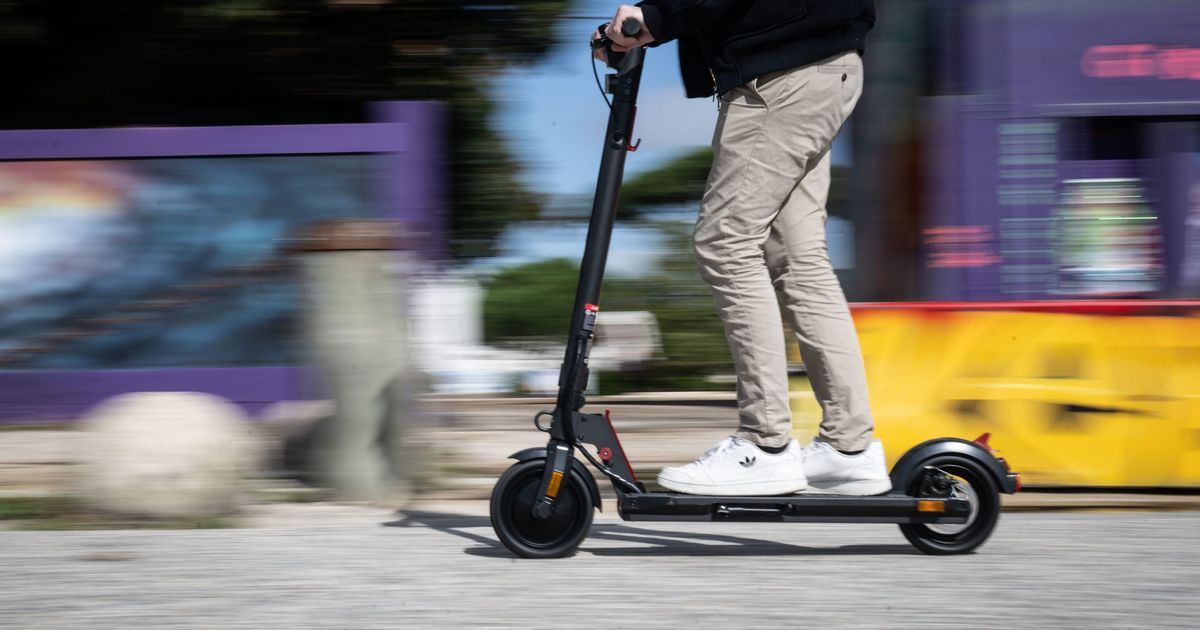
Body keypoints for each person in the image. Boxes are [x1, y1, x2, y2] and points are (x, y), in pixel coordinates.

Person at [595, 1, 890, 496]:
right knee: (798, 257)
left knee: (725, 243)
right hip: (821, 67)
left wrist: (653, 17)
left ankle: (766, 443)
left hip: (782, 78)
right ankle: (849, 448)